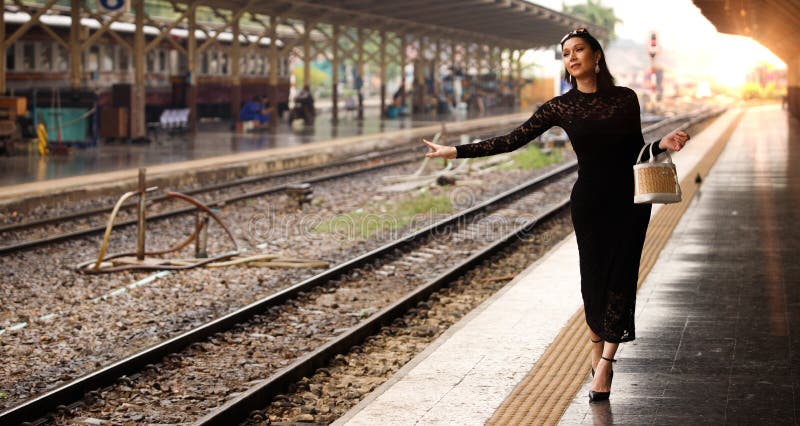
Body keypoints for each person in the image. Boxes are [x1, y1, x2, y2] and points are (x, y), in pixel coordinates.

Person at [422, 28, 690, 403]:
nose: (573, 57)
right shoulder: (560, 107)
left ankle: (606, 364)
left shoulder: (625, 99)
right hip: (590, 203)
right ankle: (595, 346)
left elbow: (635, 150)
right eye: (566, 54)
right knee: (593, 280)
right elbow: (511, 140)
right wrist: (454, 151)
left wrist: (662, 144)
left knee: (622, 276)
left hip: (630, 202)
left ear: (597, 56)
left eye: (579, 50)